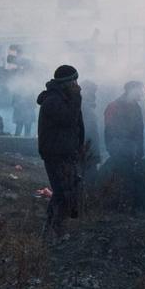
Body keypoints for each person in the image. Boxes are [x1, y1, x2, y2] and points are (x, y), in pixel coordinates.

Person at [36, 65, 85, 235]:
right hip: (56, 154)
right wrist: (77, 98)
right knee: (62, 194)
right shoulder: (53, 101)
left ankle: (54, 230)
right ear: (67, 83)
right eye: (74, 81)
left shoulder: (62, 98)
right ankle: (54, 230)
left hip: (64, 152)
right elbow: (69, 120)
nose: (77, 85)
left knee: (66, 192)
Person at [103, 80, 145, 213]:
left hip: (131, 151)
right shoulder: (114, 106)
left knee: (129, 179)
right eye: (140, 90)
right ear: (131, 90)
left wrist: (139, 150)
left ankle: (127, 208)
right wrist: (114, 148)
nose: (141, 93)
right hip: (120, 150)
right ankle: (122, 209)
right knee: (124, 179)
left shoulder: (136, 107)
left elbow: (139, 132)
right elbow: (109, 130)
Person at [79, 81, 102, 182]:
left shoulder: (87, 107)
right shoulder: (83, 107)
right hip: (86, 151)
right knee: (88, 180)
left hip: (89, 150)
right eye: (91, 91)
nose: (94, 94)